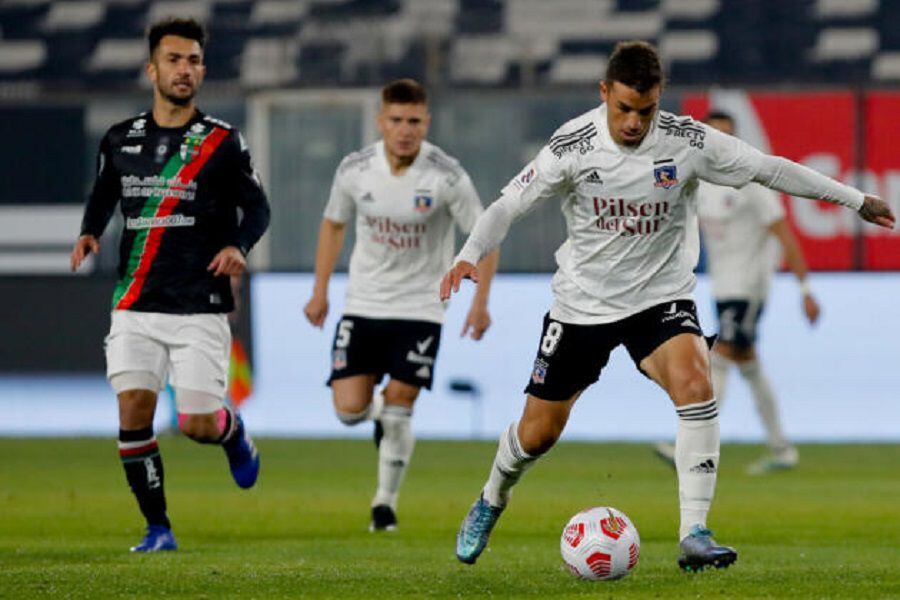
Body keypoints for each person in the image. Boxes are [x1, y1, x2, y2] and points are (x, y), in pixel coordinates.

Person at [440, 41, 894, 571]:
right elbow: (506, 206)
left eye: (646, 110)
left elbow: (770, 169)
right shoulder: (571, 146)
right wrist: (470, 254)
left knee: (696, 383)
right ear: (604, 93)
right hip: (582, 304)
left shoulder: (689, 141)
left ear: (660, 99)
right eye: (624, 109)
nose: (634, 122)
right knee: (539, 432)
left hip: (659, 298)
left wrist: (856, 199)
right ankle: (493, 497)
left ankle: (694, 533)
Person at [70, 18, 270, 553]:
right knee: (133, 411)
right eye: (175, 60)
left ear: (203, 69)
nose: (186, 70)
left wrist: (237, 246)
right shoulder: (120, 139)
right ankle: (159, 528)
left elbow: (258, 208)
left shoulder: (222, 142)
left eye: (194, 61)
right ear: (152, 68)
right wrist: (90, 231)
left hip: (199, 305)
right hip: (134, 302)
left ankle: (233, 433)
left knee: (198, 423)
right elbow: (104, 193)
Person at [304, 79, 499, 532]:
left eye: (414, 121)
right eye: (396, 120)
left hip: (421, 309)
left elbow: (485, 237)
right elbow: (333, 225)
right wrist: (320, 291)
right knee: (349, 411)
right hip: (364, 302)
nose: (405, 130)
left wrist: (480, 303)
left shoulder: (447, 175)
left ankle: (383, 504)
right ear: (381, 122)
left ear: (426, 122)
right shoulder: (355, 170)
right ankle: (380, 422)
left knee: (399, 405)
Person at [655, 111, 819, 475]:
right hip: (723, 286)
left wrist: (805, 288)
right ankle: (781, 448)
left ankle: (692, 442)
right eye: (713, 135)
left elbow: (785, 236)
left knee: (718, 356)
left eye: (726, 135)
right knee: (748, 365)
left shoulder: (751, 182)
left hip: (749, 287)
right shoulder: (698, 183)